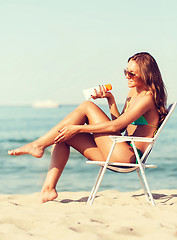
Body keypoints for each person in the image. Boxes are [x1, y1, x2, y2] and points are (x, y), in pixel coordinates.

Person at [8, 52, 167, 203]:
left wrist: (79, 128)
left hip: (129, 156)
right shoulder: (134, 92)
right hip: (118, 149)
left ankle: (37, 145)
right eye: (126, 71)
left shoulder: (148, 98)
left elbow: (116, 126)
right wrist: (110, 99)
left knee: (87, 107)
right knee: (63, 136)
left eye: (132, 73)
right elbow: (120, 125)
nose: (127, 76)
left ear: (147, 74)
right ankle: (48, 190)